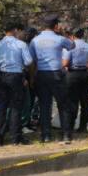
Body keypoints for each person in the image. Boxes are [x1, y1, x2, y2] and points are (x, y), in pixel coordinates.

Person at [29, 15, 75, 144]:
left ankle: (46, 136)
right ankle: (66, 134)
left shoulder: (35, 40)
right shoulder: (60, 39)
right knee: (63, 104)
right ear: (56, 26)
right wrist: (62, 34)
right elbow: (72, 45)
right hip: (57, 74)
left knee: (44, 106)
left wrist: (32, 78)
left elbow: (32, 61)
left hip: (42, 74)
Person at [0, 21, 33, 146]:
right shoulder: (21, 44)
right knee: (16, 107)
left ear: (4, 31)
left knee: (1, 108)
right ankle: (15, 138)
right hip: (16, 77)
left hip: (2, 76)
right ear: (15, 31)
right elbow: (29, 61)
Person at [63, 28, 88, 134]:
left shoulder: (70, 46)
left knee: (72, 102)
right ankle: (83, 127)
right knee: (85, 102)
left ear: (72, 35)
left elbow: (66, 62)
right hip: (85, 74)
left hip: (73, 74)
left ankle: (70, 126)